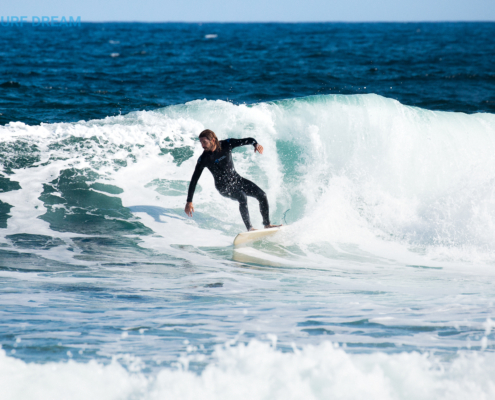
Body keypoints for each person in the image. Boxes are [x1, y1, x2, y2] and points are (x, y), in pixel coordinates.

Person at [184, 129, 280, 231]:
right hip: (223, 187)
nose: (202, 145)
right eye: (201, 142)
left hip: (237, 180)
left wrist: (255, 144)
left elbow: (248, 140)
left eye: (204, 142)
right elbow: (194, 180)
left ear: (212, 140)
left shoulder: (227, 144)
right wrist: (189, 201)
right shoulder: (204, 159)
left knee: (262, 195)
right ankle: (250, 228)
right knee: (242, 197)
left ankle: (267, 224)